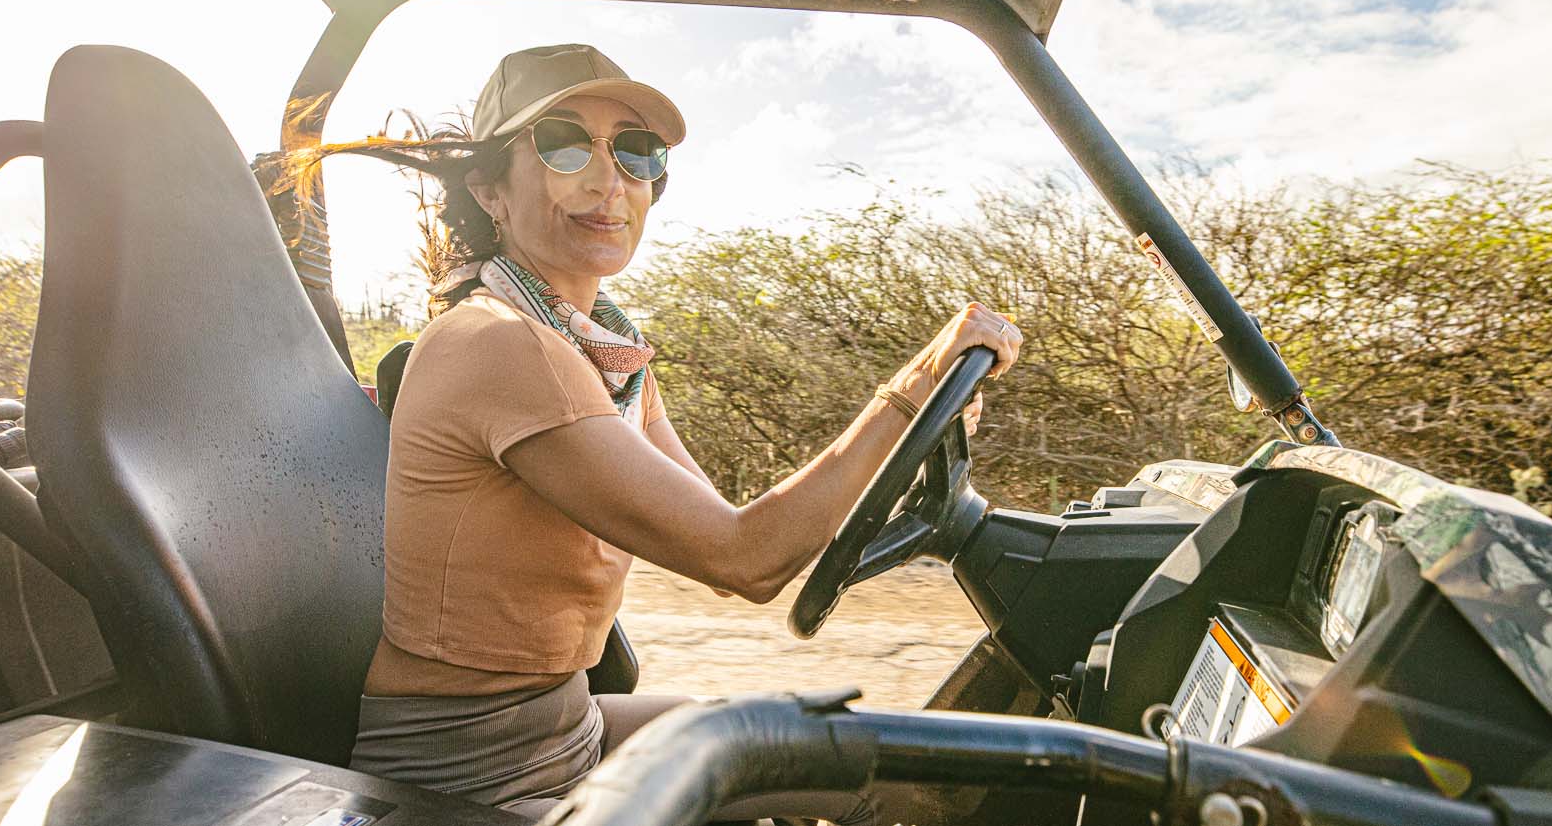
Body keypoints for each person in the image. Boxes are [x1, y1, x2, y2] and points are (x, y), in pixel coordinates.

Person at [275, 44, 1023, 822]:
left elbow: (732, 535)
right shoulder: (499, 345)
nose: (608, 182)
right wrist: (907, 396)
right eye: (564, 145)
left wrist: (907, 431)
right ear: (490, 189)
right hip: (461, 777)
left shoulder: (608, 353)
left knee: (886, 772)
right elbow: (745, 559)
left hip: (568, 726)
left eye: (636, 153)